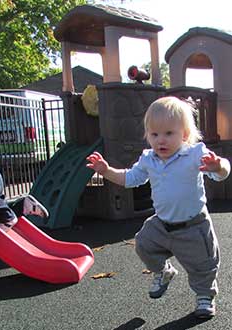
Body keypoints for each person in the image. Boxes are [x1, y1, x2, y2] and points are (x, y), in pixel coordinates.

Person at [86, 96, 230, 319]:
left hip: (194, 226)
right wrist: (106, 171)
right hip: (162, 224)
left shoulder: (194, 154)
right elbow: (130, 178)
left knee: (203, 265)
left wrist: (218, 166)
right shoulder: (149, 159)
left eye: (169, 134)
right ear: (148, 135)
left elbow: (223, 172)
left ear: (183, 134)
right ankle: (163, 272)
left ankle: (204, 296)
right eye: (154, 134)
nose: (161, 140)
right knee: (143, 244)